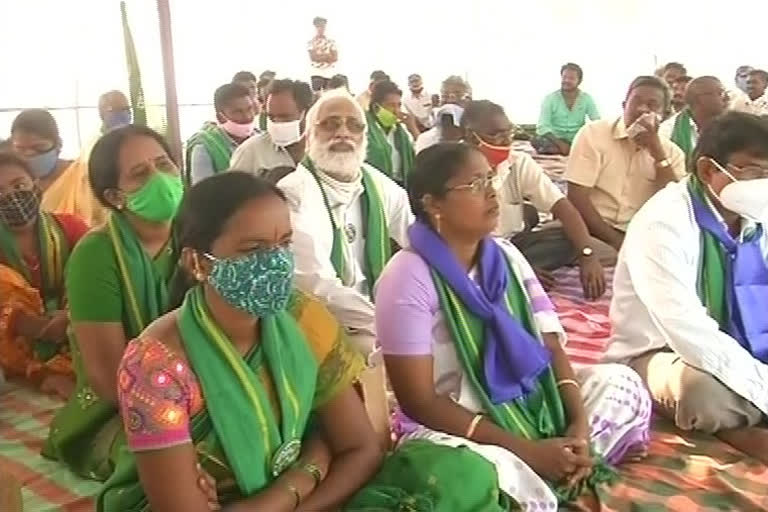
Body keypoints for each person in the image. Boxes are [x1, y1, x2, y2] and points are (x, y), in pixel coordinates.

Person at [372, 143, 651, 509]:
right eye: (473, 185)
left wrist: (579, 427)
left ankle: (566, 460)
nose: (492, 191)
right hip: (459, 425)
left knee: (621, 384)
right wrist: (525, 450)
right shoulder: (407, 276)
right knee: (476, 471)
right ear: (433, 204)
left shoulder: (506, 256)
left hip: (536, 404)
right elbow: (419, 401)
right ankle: (548, 471)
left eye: (490, 178)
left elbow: (551, 347)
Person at [99, 171, 383, 511]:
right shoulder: (156, 365)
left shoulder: (305, 319)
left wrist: (286, 495)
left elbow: (361, 449)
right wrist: (316, 459)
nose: (276, 262)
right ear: (198, 263)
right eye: (254, 249)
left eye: (284, 244)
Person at [604, 112, 768, 465]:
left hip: (742, 343)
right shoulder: (664, 222)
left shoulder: (757, 214)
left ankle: (747, 412)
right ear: (710, 170)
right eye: (756, 172)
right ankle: (738, 428)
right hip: (664, 352)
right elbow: (689, 333)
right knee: (700, 391)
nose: (765, 184)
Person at [43, 125, 183, 481]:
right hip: (123, 409)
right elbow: (107, 378)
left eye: (163, 164)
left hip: (207, 391)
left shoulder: (198, 232)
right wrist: (185, 420)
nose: (159, 179)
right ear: (115, 197)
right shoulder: (97, 254)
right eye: (140, 174)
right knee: (189, 464)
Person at [277, 88, 413, 437]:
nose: (343, 134)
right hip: (319, 320)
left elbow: (420, 241)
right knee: (380, 357)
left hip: (375, 316)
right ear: (309, 137)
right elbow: (316, 288)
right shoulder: (294, 193)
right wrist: (391, 326)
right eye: (331, 125)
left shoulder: (378, 185)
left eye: (355, 126)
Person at [464, 100, 607, 299]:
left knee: (569, 237)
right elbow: (454, 240)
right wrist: (516, 269)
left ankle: (514, 268)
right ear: (472, 136)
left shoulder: (517, 162)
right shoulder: (453, 170)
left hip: (511, 244)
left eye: (509, 133)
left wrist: (587, 254)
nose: (506, 141)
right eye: (497, 135)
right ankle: (505, 273)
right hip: (469, 251)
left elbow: (563, 207)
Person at [0, 152, 88, 398]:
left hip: (73, 323)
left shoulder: (71, 227)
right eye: (0, 193)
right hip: (16, 338)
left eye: (19, 186)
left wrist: (70, 315)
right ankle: (41, 373)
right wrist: (35, 327)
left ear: (35, 187)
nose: (11, 197)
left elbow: (96, 273)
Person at [566, 76, 686, 256]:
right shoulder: (593, 134)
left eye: (652, 105)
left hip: (640, 235)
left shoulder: (672, 154)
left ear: (665, 114)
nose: (641, 109)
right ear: (624, 105)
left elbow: (670, 203)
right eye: (636, 102)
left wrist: (656, 151)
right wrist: (616, 241)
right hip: (589, 227)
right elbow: (577, 196)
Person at [41, 91, 131, 227]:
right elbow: (90, 190)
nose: (122, 114)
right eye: (114, 110)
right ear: (102, 114)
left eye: (126, 109)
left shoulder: (133, 137)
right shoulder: (94, 146)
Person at [231, 79, 314, 179]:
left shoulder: (325, 149)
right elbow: (233, 192)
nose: (277, 123)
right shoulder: (250, 151)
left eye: (284, 117)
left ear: (307, 112)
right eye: (271, 117)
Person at [185, 83, 256, 185]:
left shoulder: (261, 139)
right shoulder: (205, 147)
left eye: (250, 109)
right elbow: (203, 193)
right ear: (220, 117)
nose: (248, 116)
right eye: (238, 112)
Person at [533, 63, 600, 156]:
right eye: (564, 77)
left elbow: (596, 121)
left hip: (577, 139)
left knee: (598, 143)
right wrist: (561, 144)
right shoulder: (550, 98)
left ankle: (571, 150)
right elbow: (542, 126)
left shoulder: (586, 98)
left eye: (571, 78)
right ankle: (570, 150)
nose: (566, 80)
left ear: (579, 81)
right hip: (555, 139)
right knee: (536, 140)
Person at [659, 76, 728, 161]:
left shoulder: (731, 127)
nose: (726, 98)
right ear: (699, 98)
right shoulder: (667, 131)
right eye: (721, 93)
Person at [10, 110, 74, 196]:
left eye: (38, 147)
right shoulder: (16, 184)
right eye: (20, 148)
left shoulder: (83, 176)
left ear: (58, 144)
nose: (29, 154)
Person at [365, 80, 418, 185]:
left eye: (399, 105)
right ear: (376, 107)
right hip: (375, 184)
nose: (397, 110)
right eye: (391, 105)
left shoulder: (401, 131)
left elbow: (420, 153)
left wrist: (413, 128)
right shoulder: (364, 128)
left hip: (400, 185)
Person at [308, 17, 338, 93]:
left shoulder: (331, 41)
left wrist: (321, 56)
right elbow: (313, 57)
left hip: (329, 73)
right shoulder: (311, 41)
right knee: (317, 94)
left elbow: (335, 57)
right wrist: (327, 56)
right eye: (318, 26)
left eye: (323, 26)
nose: (321, 28)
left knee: (328, 94)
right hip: (316, 71)